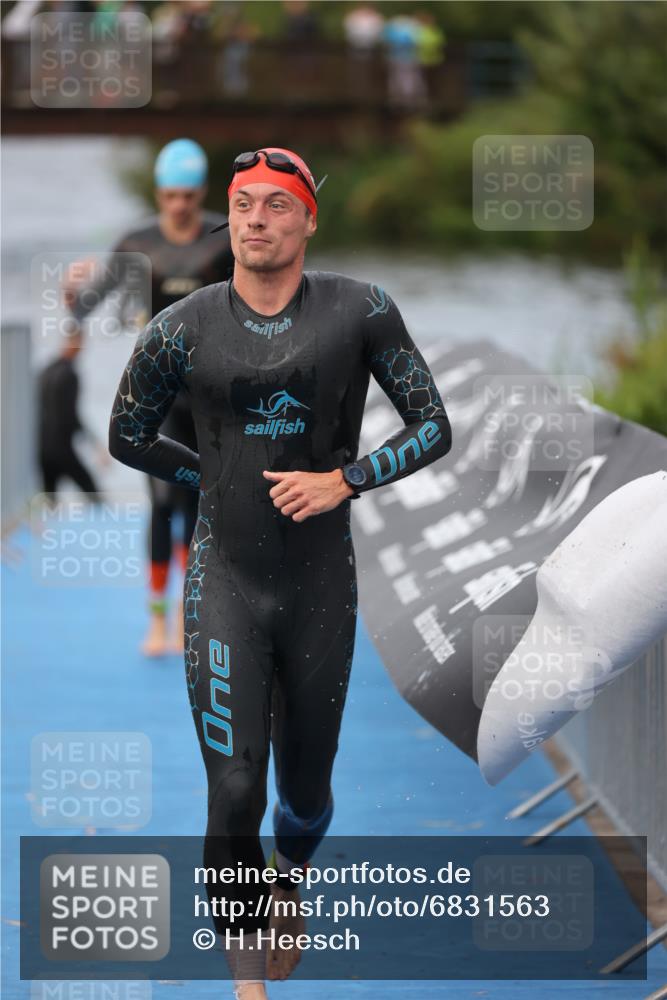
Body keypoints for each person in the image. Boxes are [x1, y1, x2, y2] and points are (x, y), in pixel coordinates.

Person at [108, 147, 452, 998]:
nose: (254, 219)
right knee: (232, 788)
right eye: (241, 205)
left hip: (318, 587)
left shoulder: (361, 311)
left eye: (274, 205)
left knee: (302, 790)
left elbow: (432, 425)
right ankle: (245, 979)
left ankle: (289, 874)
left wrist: (346, 479)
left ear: (307, 219)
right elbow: (126, 434)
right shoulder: (181, 326)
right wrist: (211, 478)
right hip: (224, 577)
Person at [65, 138, 235, 656]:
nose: (179, 205)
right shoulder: (136, 242)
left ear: (201, 191)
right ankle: (158, 621)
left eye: (187, 194)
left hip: (212, 395)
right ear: (159, 193)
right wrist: (71, 296)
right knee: (162, 504)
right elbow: (87, 306)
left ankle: (196, 615)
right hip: (157, 393)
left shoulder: (223, 236)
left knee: (207, 505)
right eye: (170, 195)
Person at [37, 326, 106, 497]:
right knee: (93, 493)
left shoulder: (45, 371)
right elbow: (70, 416)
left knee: (49, 500)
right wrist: (95, 444)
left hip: (42, 446)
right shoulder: (69, 375)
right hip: (62, 448)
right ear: (74, 343)